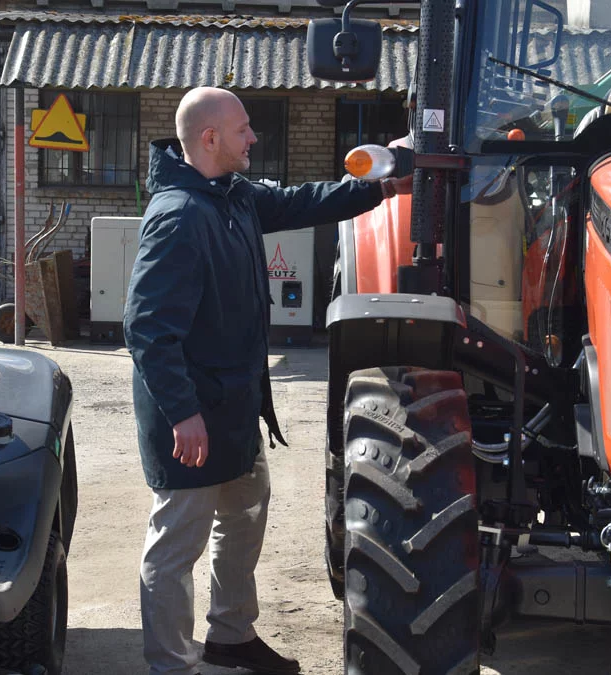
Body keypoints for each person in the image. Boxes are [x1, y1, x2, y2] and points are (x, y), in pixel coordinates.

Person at [123, 86, 410, 675]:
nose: (255, 138)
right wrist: (182, 412)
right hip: (192, 421)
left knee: (246, 512)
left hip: (232, 409)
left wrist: (381, 183)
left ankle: (230, 634)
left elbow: (306, 201)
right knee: (177, 545)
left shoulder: (233, 196)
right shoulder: (179, 217)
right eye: (244, 129)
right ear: (210, 139)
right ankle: (171, 664)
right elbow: (148, 329)